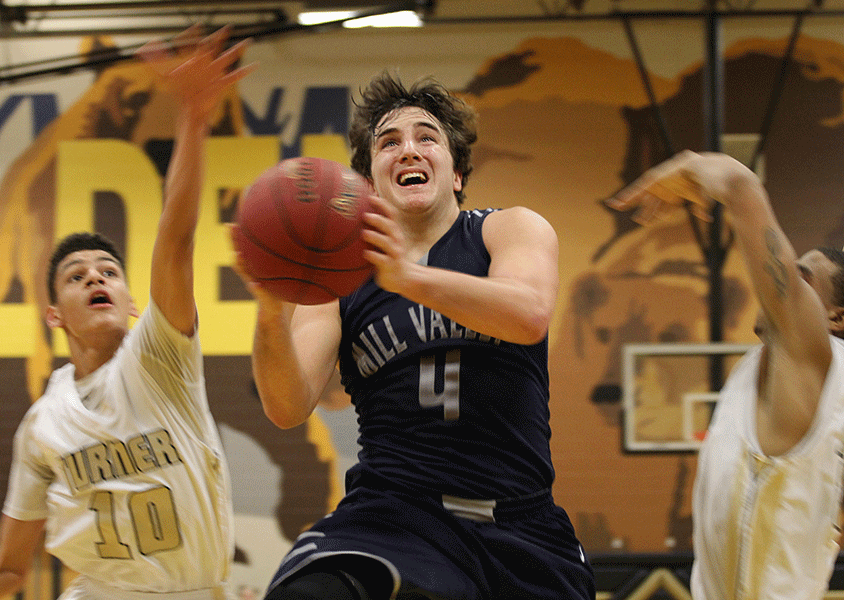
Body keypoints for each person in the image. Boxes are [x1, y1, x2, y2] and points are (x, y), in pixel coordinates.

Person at [233, 72, 595, 600]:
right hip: (396, 516)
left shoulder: (507, 229)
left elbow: (528, 314)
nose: (409, 150)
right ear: (369, 185)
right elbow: (287, 406)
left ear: (456, 173)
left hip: (520, 524)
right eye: (388, 143)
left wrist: (410, 278)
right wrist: (270, 309)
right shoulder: (341, 284)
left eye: (427, 138)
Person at [0, 27, 255, 600]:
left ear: (136, 304)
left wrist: (192, 116)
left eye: (109, 271)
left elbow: (176, 240)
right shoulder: (42, 425)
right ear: (54, 315)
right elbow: (6, 570)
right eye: (76, 275)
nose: (95, 277)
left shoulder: (161, 359)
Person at [608, 150, 844, 600]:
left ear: (836, 318)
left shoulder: (817, 356)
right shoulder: (782, 374)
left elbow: (740, 187)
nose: (789, 281)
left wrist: (714, 172)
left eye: (804, 279)